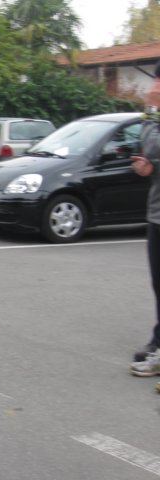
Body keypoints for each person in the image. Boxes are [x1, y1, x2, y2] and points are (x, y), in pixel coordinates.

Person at [129, 61, 160, 392]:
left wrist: (151, 112)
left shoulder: (155, 116)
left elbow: (154, 145)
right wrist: (149, 166)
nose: (154, 88)